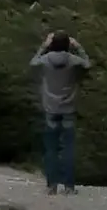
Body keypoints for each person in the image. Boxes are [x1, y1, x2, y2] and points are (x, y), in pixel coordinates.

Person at [30, 29, 91, 194]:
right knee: (68, 148)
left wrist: (43, 46)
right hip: (69, 108)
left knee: (51, 148)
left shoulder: (44, 60)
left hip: (50, 108)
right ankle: (69, 187)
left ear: (52, 44)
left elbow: (33, 62)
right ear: (67, 45)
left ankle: (52, 186)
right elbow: (87, 64)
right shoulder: (74, 60)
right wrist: (78, 47)